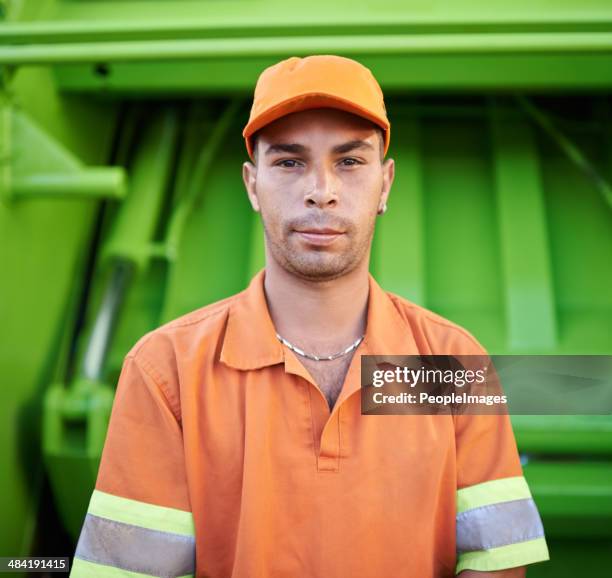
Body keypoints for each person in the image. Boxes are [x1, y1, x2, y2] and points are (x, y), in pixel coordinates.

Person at [69, 55, 550, 578]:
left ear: (385, 185)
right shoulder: (167, 371)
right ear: (252, 185)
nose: (321, 189)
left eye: (349, 161)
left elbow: (496, 567)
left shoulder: (453, 361)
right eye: (289, 162)